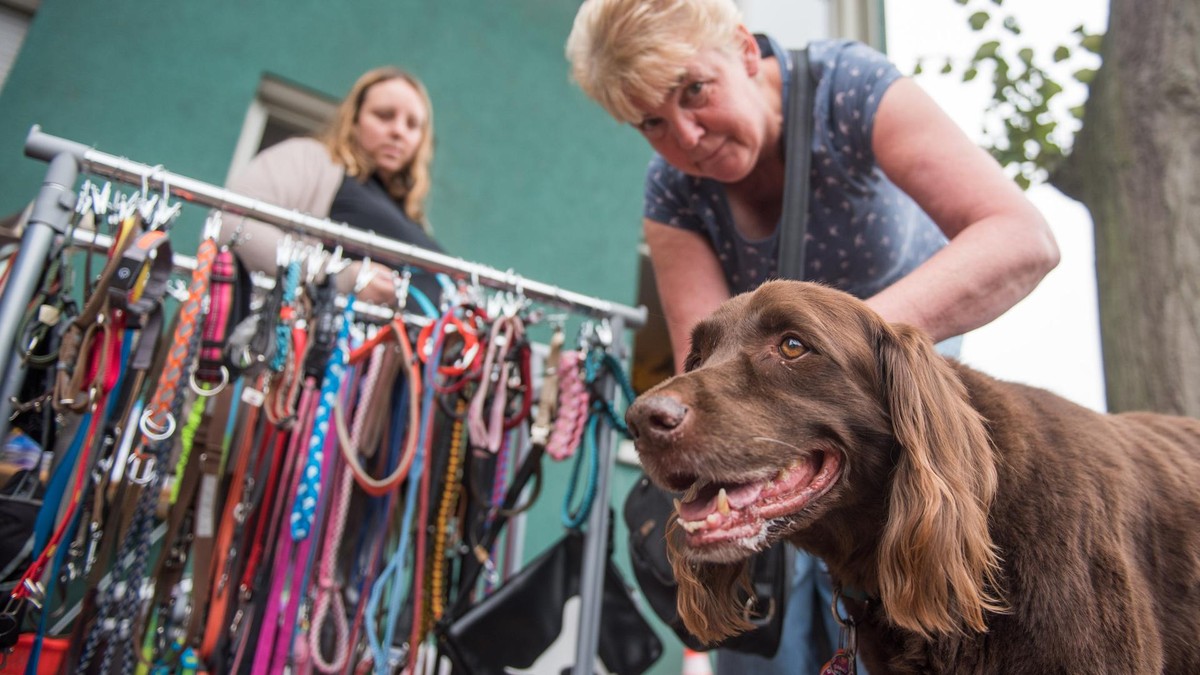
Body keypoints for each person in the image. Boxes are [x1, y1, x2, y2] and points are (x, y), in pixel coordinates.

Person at [565, 0, 1060, 673]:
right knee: (760, 648)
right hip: (768, 447)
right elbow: (703, 378)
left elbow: (1020, 236)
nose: (685, 137)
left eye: (695, 92)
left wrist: (841, 346)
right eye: (652, 122)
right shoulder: (674, 193)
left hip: (890, 432)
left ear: (744, 50)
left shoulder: (848, 91)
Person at [222, 66, 444, 309]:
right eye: (384, 115)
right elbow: (233, 224)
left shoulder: (412, 215)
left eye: (412, 125)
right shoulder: (310, 159)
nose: (398, 131)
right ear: (355, 119)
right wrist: (336, 275)